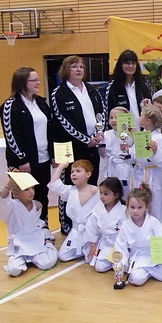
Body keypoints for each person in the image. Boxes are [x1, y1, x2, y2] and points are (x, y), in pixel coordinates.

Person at [51, 55, 105, 233]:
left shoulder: (91, 90)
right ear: (66, 70)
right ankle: (67, 224)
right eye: (74, 66)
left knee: (90, 182)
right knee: (69, 184)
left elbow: (101, 112)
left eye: (81, 66)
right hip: (70, 147)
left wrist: (98, 135)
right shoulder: (59, 93)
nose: (78, 69)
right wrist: (85, 139)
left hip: (92, 144)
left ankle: (89, 223)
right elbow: (63, 121)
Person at [0, 67, 54, 225]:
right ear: (22, 82)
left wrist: (52, 154)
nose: (38, 83)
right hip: (22, 163)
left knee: (41, 194)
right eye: (34, 80)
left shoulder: (41, 103)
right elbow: (11, 135)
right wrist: (22, 159)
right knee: (23, 196)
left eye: (38, 79)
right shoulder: (10, 105)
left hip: (42, 158)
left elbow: (50, 130)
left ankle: (42, 226)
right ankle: (23, 228)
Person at [114, 184, 162, 286]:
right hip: (138, 258)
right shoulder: (125, 225)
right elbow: (121, 247)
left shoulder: (153, 222)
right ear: (127, 206)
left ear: (146, 207)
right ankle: (145, 271)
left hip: (154, 256)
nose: (135, 211)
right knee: (136, 280)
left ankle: (147, 271)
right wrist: (120, 266)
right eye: (132, 207)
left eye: (139, 207)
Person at [0, 173, 58, 276]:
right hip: (19, 243)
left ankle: (48, 244)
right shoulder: (11, 206)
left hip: (35, 241)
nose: (31, 192)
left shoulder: (37, 205)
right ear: (15, 194)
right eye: (26, 189)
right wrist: (10, 182)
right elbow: (1, 200)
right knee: (14, 271)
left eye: (32, 188)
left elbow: (38, 224)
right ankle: (19, 259)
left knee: (47, 263)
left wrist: (46, 239)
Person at [48, 160, 101, 262]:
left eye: (78, 171)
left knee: (90, 260)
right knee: (63, 256)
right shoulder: (70, 191)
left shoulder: (95, 191)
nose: (74, 174)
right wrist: (61, 167)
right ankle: (80, 249)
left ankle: (91, 248)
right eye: (72, 171)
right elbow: (54, 185)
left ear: (88, 174)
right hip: (76, 232)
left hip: (91, 232)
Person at [131, 104, 162, 228]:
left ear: (148, 121)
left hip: (153, 175)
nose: (138, 118)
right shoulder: (141, 136)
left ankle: (159, 235)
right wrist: (126, 151)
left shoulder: (160, 138)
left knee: (156, 207)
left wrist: (155, 151)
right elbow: (133, 156)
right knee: (139, 205)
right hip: (139, 174)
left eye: (141, 115)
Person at [83, 177, 127, 272]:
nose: (102, 196)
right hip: (105, 244)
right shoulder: (98, 209)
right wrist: (92, 246)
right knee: (98, 266)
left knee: (121, 267)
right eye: (101, 193)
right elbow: (92, 228)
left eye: (106, 194)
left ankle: (118, 260)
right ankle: (112, 260)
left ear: (116, 195)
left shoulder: (124, 210)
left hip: (119, 244)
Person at [105, 49, 152, 128]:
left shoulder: (143, 85)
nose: (130, 66)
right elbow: (108, 112)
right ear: (120, 65)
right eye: (127, 63)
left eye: (133, 63)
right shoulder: (112, 87)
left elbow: (150, 109)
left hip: (142, 131)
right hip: (122, 131)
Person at [100, 106, 134, 200]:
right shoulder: (106, 134)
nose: (113, 120)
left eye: (117, 118)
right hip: (111, 167)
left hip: (125, 167)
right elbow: (103, 154)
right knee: (111, 192)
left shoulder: (130, 134)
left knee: (126, 194)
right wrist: (100, 144)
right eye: (111, 117)